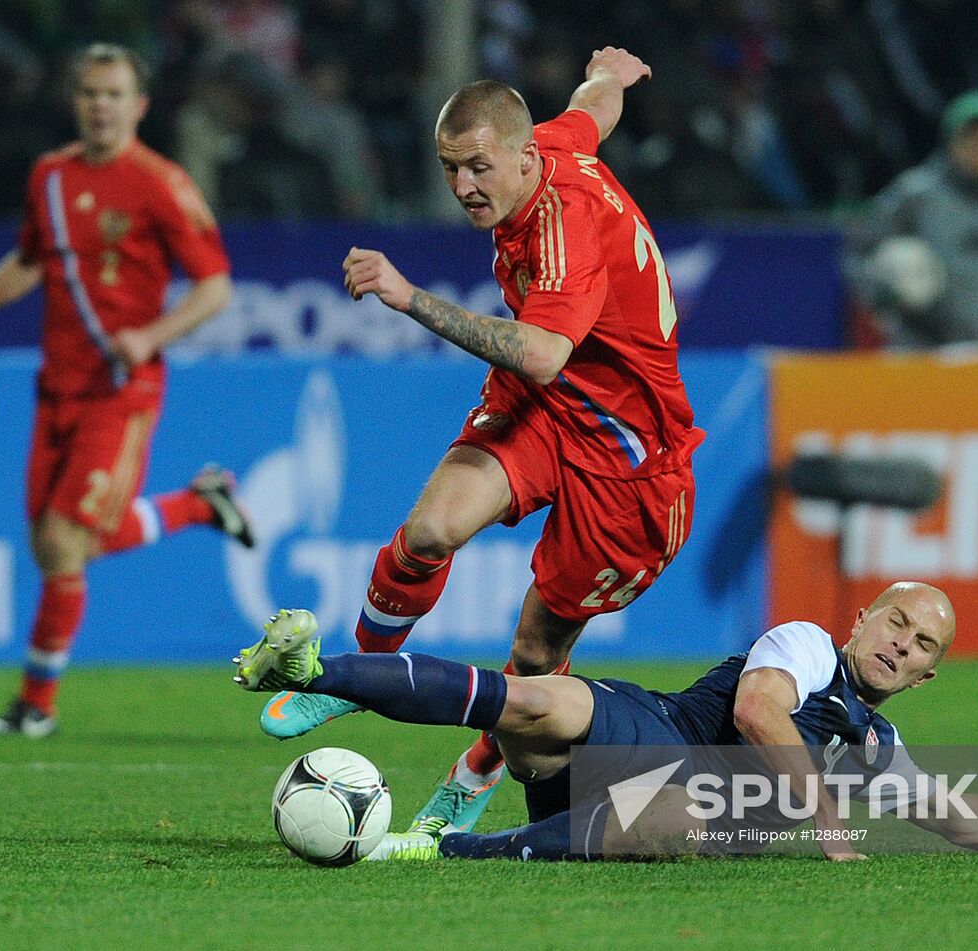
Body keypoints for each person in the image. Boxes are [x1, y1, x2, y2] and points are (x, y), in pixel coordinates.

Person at [259, 47, 704, 831]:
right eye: (450, 167)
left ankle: (471, 779)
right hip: (546, 409)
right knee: (430, 530)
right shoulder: (549, 144)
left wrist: (408, 297)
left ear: (522, 158)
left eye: (477, 167)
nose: (463, 185)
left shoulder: (566, 226)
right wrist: (615, 75)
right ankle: (356, 676)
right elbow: (591, 109)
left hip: (630, 460)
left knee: (534, 657)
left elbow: (541, 351)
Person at [231, 583, 978, 861]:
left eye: (920, 646)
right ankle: (319, 671)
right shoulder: (807, 647)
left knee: (683, 815)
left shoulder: (878, 749)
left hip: (671, 808)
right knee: (539, 696)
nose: (900, 645)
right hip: (657, 729)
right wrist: (828, 821)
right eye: (896, 623)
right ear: (862, 619)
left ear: (927, 674)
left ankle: (441, 849)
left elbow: (962, 816)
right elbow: (756, 710)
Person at [0, 43, 253, 737]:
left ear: (139, 106)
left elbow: (216, 287)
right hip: (57, 389)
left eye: (114, 94)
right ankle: (198, 505)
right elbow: (29, 263)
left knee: (65, 539)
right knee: (52, 549)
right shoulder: (50, 175)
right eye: (89, 93)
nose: (101, 106)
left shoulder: (161, 183)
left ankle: (35, 706)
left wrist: (151, 335)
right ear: (75, 103)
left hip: (121, 388)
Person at [846, 90, 978, 349]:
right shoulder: (917, 194)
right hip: (923, 351)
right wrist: (883, 294)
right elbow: (858, 252)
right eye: (970, 137)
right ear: (950, 142)